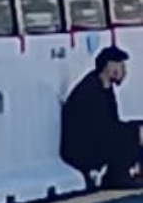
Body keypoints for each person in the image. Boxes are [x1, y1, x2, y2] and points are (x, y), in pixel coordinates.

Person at [60, 46, 143, 189]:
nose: (124, 71)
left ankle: (128, 172)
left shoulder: (106, 88)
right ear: (110, 67)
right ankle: (117, 176)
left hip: (97, 139)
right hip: (82, 148)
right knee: (134, 132)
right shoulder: (90, 91)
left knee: (137, 128)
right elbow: (97, 127)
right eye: (121, 66)